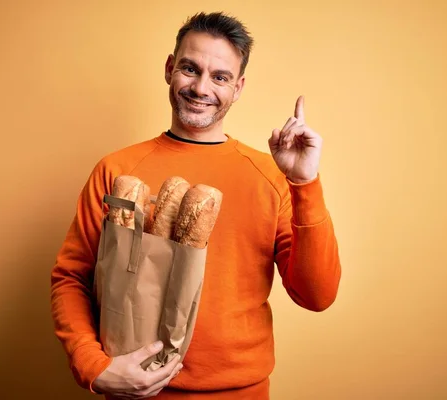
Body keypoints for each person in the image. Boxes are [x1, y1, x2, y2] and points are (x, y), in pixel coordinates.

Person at [50, 11, 341, 400]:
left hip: (240, 393)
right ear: (170, 69)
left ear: (237, 88)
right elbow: (71, 278)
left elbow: (317, 295)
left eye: (220, 77)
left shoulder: (270, 177)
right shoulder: (116, 170)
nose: (201, 87)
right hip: (135, 393)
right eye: (190, 68)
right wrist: (94, 367)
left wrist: (304, 182)